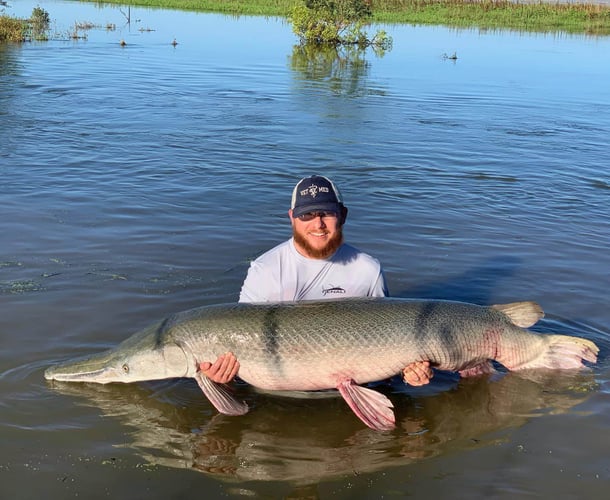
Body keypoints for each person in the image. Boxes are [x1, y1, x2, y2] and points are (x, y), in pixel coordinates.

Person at [199, 175, 433, 386]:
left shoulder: (367, 268)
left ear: (343, 215)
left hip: (351, 389)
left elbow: (391, 338)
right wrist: (221, 376)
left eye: (326, 213)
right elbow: (238, 338)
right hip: (281, 396)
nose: (318, 224)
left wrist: (408, 370)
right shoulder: (265, 269)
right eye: (306, 215)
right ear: (292, 217)